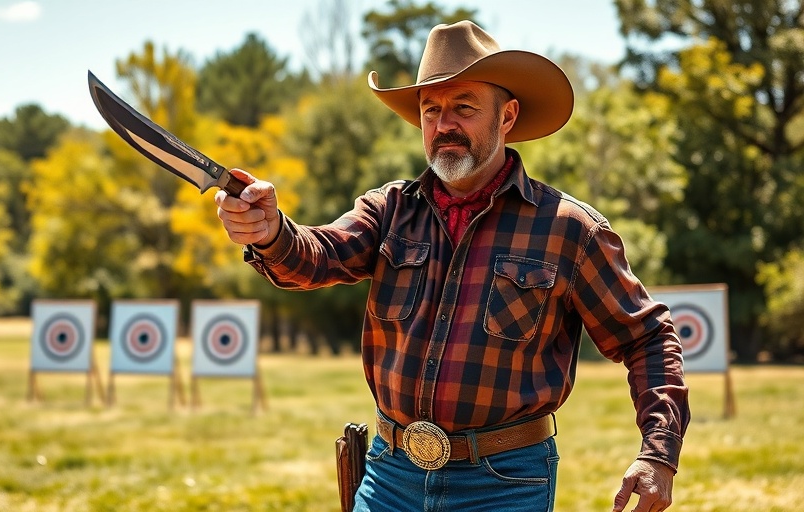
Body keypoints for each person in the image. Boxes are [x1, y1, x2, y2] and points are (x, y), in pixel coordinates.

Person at [215, 20, 690, 512]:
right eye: (430, 110)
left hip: (505, 482)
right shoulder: (390, 209)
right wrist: (270, 231)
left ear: (507, 117)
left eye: (463, 107)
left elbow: (647, 338)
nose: (443, 125)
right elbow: (317, 256)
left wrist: (658, 455)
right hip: (390, 475)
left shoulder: (570, 229)